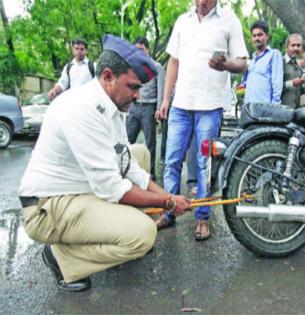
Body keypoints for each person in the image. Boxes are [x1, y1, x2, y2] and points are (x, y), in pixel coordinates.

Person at [18, 35, 191, 292]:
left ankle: (116, 231)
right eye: (133, 87)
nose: (137, 95)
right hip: (46, 208)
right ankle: (63, 259)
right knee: (144, 235)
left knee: (140, 153)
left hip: (75, 190)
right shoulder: (82, 109)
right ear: (108, 76)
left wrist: (166, 196)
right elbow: (113, 188)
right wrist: (166, 203)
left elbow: (128, 164)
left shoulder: (110, 103)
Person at [156, 0, 248, 241]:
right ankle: (169, 212)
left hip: (210, 106)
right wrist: (166, 99)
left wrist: (225, 64)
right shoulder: (182, 22)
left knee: (204, 165)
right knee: (172, 161)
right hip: (180, 105)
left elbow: (242, 62)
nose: (202, 2)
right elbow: (173, 62)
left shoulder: (230, 20)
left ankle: (203, 218)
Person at [126, 37, 165, 179]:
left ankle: (150, 174)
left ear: (147, 49)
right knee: (127, 139)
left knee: (150, 143)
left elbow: (161, 89)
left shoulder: (157, 67)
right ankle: (125, 170)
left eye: (142, 49)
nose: (139, 52)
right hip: (134, 107)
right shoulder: (132, 66)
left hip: (149, 108)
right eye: (136, 49)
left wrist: (159, 108)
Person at [242, 20, 283, 104]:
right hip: (249, 109)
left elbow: (277, 83)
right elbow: (245, 84)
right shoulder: (252, 61)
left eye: (260, 35)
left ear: (267, 36)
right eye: (254, 36)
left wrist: (274, 106)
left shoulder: (274, 54)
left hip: (265, 108)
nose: (256, 38)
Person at [281, 33, 305, 108]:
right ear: (286, 47)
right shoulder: (279, 63)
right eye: (293, 45)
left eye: (298, 45)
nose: (296, 48)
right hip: (280, 111)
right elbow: (273, 88)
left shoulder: (299, 67)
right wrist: (292, 83)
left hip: (295, 112)